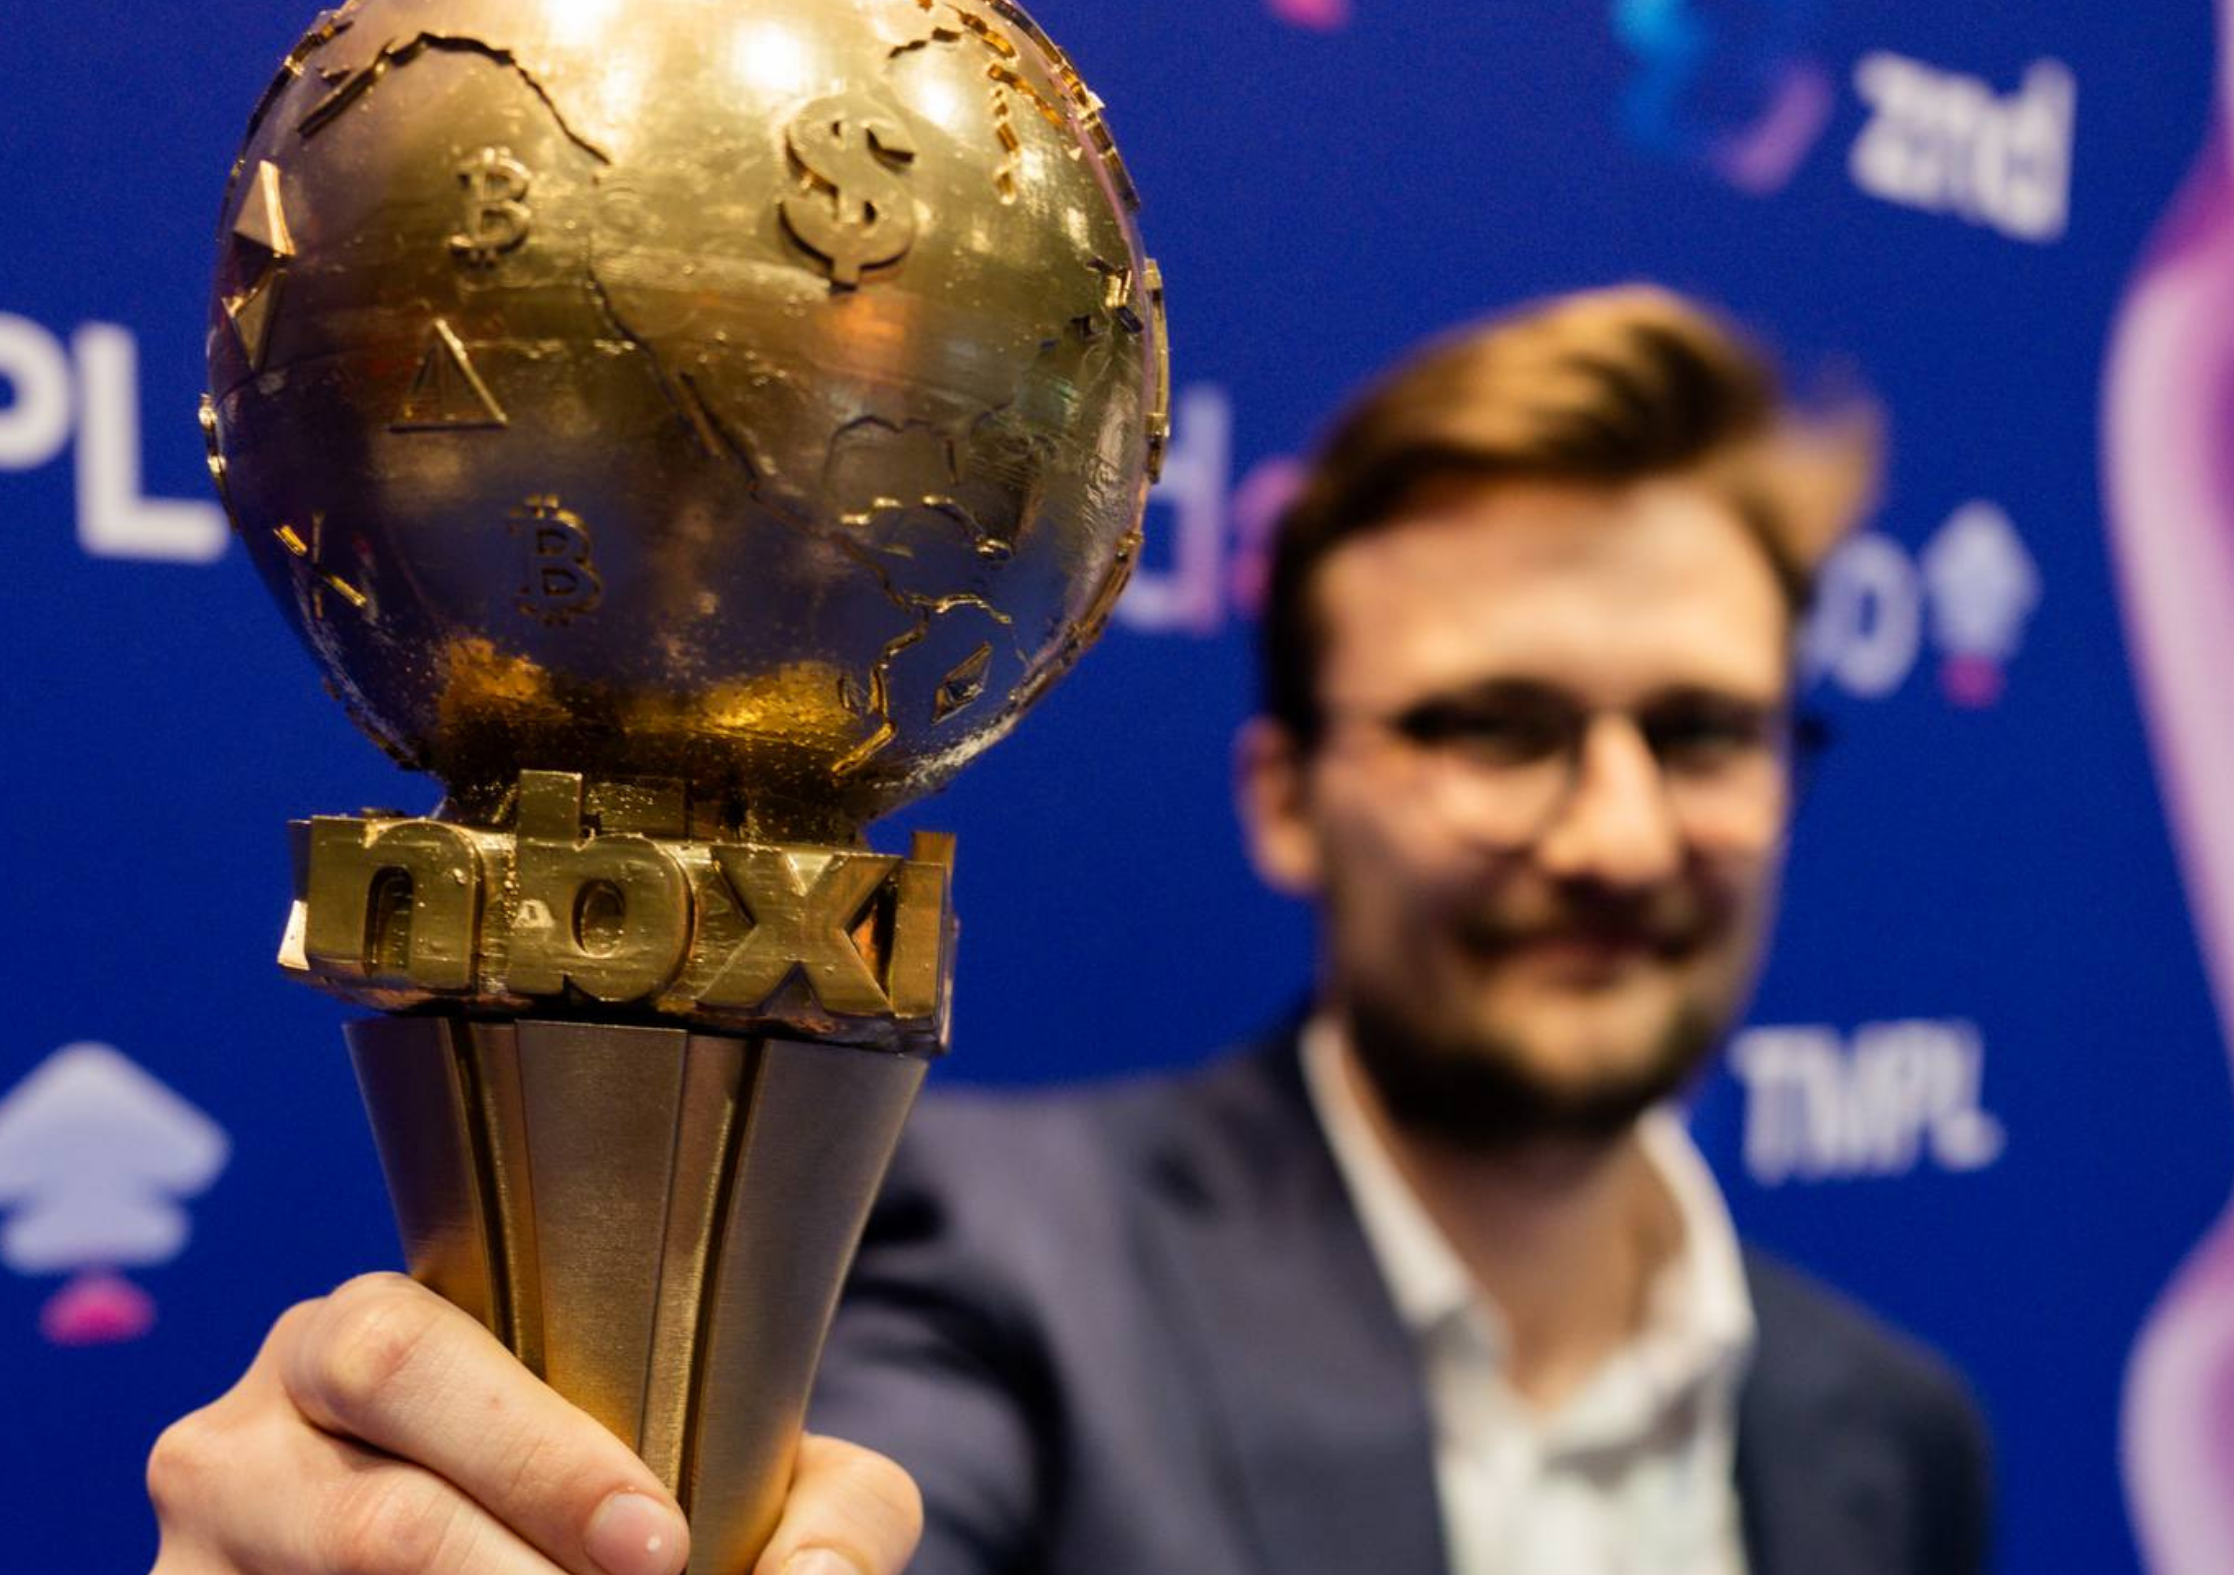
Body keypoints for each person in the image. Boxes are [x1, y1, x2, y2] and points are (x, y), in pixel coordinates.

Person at [144, 285, 1988, 1575]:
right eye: (1494, 727)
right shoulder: (988, 1262)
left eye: (1702, 734)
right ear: (1286, 797)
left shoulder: (1895, 1426)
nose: (1617, 834)